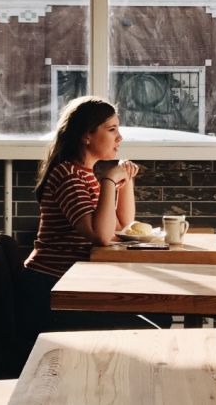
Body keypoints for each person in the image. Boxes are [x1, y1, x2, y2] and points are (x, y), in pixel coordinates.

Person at [20, 95, 158, 335]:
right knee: (149, 328)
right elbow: (101, 236)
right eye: (112, 129)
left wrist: (125, 180)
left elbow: (123, 227)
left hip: (74, 285)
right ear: (87, 135)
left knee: (156, 317)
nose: (120, 137)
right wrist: (109, 179)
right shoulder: (68, 175)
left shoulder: (85, 174)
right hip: (52, 289)